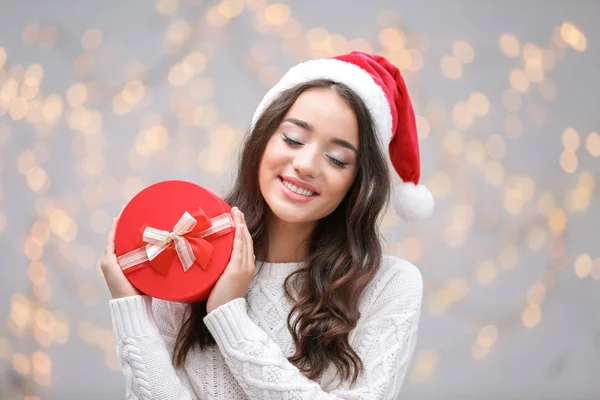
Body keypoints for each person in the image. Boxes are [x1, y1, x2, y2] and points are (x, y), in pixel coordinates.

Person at [101, 51, 435, 399]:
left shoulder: (390, 286)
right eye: (292, 139)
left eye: (337, 159)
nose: (305, 164)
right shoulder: (189, 253)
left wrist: (229, 317)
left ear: (359, 180)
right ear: (262, 140)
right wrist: (131, 308)